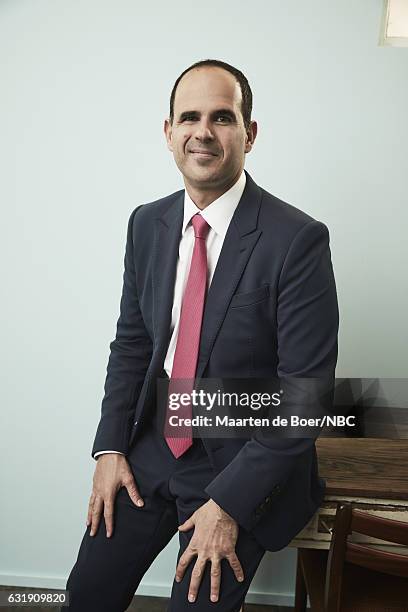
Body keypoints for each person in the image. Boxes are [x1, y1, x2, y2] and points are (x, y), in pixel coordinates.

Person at [65, 59, 339, 611]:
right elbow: (133, 344)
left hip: (243, 456)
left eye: (222, 117)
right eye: (189, 117)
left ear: (249, 133)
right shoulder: (147, 223)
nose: (203, 132)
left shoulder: (297, 239)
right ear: (168, 133)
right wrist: (111, 445)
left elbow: (304, 399)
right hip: (152, 443)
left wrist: (233, 505)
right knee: (85, 596)